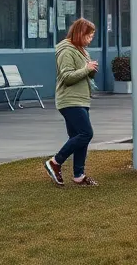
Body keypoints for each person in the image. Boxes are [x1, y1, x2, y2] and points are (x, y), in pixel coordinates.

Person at [45, 18, 100, 187]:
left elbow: (84, 74)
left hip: (81, 99)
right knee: (86, 133)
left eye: (92, 36)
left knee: (78, 137)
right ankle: (55, 162)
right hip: (69, 100)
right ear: (79, 33)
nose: (90, 40)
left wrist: (91, 71)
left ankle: (79, 175)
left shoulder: (81, 50)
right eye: (88, 36)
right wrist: (86, 69)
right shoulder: (66, 50)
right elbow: (67, 77)